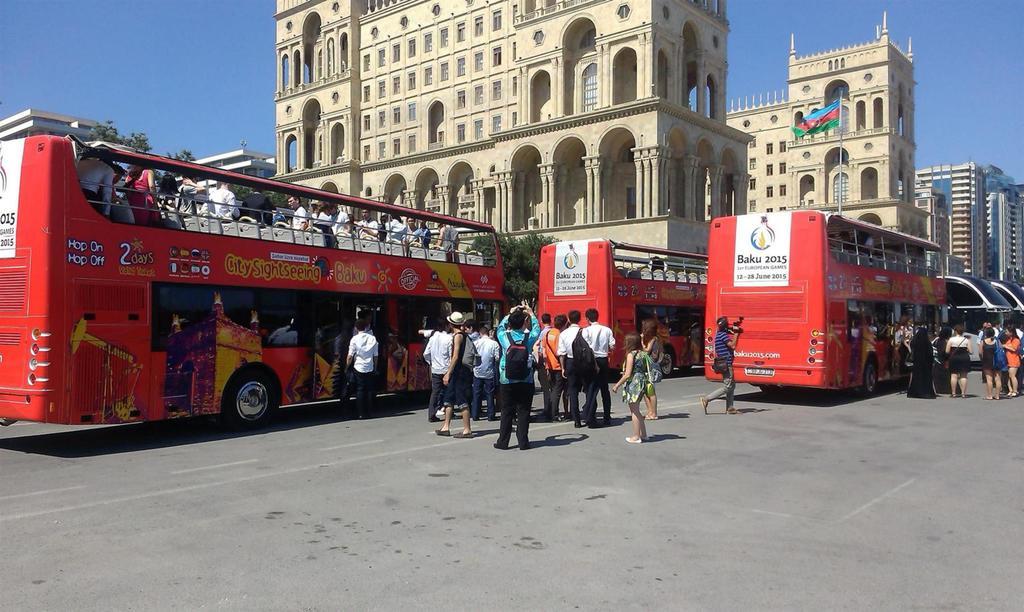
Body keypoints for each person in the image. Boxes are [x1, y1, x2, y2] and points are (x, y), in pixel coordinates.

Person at [494, 305, 542, 451]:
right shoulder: (529, 338)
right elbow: (537, 329)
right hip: (525, 378)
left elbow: (499, 328)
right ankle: (523, 442)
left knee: (507, 411)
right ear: (524, 323)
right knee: (524, 411)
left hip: (507, 378)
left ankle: (503, 441)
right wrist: (531, 313)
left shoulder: (504, 337)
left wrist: (510, 312)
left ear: (510, 323)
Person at [437, 312, 474, 438]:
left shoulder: (458, 336)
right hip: (459, 371)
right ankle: (445, 426)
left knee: (461, 399)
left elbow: (455, 356)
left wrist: (448, 373)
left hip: (459, 371)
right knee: (449, 398)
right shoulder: (460, 334)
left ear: (451, 323)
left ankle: (467, 429)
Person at [612, 333, 653, 444]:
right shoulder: (643, 354)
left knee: (634, 411)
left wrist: (617, 385)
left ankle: (636, 436)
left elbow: (627, 374)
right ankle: (643, 434)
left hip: (634, 384)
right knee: (637, 411)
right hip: (641, 382)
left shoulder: (631, 355)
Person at [581, 308, 615, 428]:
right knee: (604, 389)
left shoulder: (586, 331)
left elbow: (584, 346)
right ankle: (607, 417)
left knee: (591, 389)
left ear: (587, 319)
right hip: (603, 359)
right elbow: (612, 345)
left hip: (591, 360)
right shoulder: (607, 330)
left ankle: (591, 416)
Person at [701, 316, 741, 414]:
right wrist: (736, 333)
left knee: (731, 385)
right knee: (728, 387)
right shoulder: (723, 335)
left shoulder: (719, 334)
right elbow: (733, 345)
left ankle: (730, 408)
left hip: (724, 364)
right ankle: (707, 399)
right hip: (726, 364)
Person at [557, 310, 587, 428]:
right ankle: (590, 414)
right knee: (588, 389)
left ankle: (576, 420)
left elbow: (561, 353)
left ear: (569, 319)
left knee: (573, 391)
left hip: (570, 361)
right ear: (580, 319)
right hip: (583, 362)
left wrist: (563, 368)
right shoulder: (584, 331)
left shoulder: (564, 334)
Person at [346, 319, 379, 419]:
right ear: (366, 327)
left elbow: (350, 356)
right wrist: (375, 367)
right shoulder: (373, 339)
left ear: (356, 328)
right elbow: (376, 356)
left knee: (360, 390)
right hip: (370, 367)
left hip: (358, 367)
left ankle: (360, 413)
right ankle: (369, 412)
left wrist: (346, 367)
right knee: (369, 390)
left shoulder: (354, 339)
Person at [422, 318, 452, 423]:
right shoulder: (449, 338)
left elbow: (426, 353)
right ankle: (446, 411)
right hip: (446, 369)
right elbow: (451, 354)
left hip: (435, 369)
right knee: (448, 392)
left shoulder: (433, 338)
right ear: (447, 326)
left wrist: (431, 363)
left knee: (435, 392)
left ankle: (432, 414)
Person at [541, 314, 569, 422]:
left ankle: (549, 411)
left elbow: (543, 351)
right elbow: (559, 351)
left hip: (550, 365)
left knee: (552, 390)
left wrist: (546, 365)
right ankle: (554, 414)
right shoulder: (559, 335)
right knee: (557, 392)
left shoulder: (548, 333)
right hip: (558, 366)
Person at [471, 324, 500, 421]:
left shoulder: (475, 343)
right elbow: (497, 358)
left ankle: (475, 414)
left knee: (476, 394)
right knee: (489, 394)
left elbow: (472, 356)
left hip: (477, 371)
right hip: (489, 371)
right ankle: (491, 415)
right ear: (488, 333)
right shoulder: (494, 343)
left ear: (480, 333)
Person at [641, 319, 662, 420]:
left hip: (652, 367)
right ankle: (650, 411)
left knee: (650, 390)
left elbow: (647, 350)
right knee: (645, 391)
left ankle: (654, 413)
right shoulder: (650, 338)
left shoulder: (653, 338)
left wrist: (641, 341)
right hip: (647, 367)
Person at [907, 327, 936, 399]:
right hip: (926, 364)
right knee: (926, 378)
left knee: (916, 377)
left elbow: (911, 350)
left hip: (917, 363)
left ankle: (915, 392)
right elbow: (930, 354)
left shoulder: (914, 342)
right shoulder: (927, 343)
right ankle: (926, 393)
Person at [535, 314, 553, 421]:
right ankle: (551, 408)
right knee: (552, 387)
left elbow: (542, 349)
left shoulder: (542, 333)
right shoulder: (555, 331)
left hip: (545, 362)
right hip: (554, 362)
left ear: (541, 321)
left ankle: (548, 410)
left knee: (546, 388)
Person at [946, 325, 972, 398]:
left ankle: (954, 393)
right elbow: (971, 351)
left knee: (954, 375)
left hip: (954, 358)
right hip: (964, 358)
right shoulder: (966, 340)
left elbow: (947, 351)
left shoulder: (951, 339)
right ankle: (963, 393)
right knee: (964, 376)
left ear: (955, 331)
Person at [980, 327, 1001, 400]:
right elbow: (1001, 350)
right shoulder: (997, 341)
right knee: (997, 379)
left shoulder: (983, 341)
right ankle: (997, 395)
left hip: (987, 361)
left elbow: (980, 352)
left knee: (989, 379)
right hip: (997, 361)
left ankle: (990, 395)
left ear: (986, 333)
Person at [932, 326, 953, 396]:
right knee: (946, 376)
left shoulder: (937, 340)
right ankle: (946, 389)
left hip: (937, 361)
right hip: (944, 361)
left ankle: (939, 389)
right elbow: (945, 352)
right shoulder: (945, 342)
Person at [1005, 324, 1021, 398]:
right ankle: (1010, 390)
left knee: (1012, 376)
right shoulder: (1009, 339)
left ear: (1011, 332)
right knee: (1008, 376)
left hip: (1014, 360)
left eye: (1007, 331)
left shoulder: (1016, 340)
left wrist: (1005, 346)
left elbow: (1014, 349)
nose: (1005, 333)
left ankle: (1015, 391)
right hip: (1008, 360)